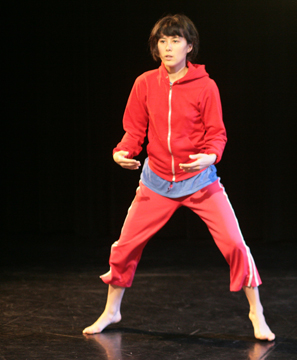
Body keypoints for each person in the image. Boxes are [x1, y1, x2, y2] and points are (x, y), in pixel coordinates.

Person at [83, 14, 275, 341]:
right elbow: (134, 131)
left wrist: (210, 156)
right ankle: (111, 310)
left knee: (234, 244)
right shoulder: (144, 83)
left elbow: (217, 134)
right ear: (156, 47)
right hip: (156, 181)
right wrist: (122, 152)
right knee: (125, 245)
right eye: (162, 41)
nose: (168, 47)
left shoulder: (206, 87)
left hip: (199, 181)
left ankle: (256, 312)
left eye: (175, 41)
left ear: (189, 46)